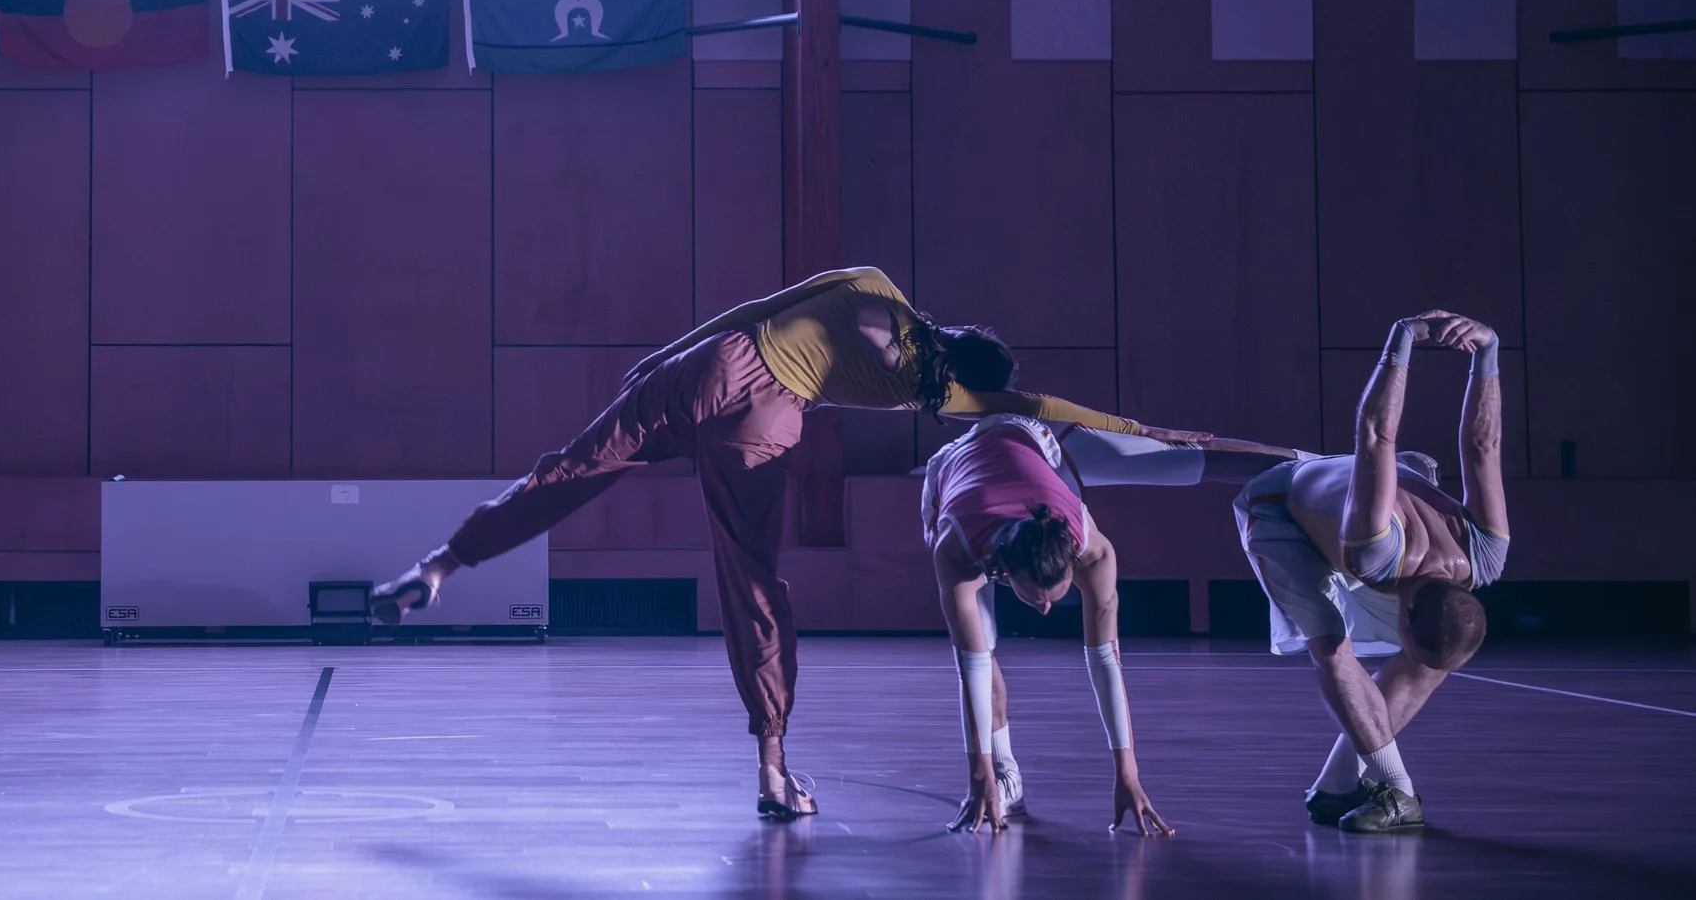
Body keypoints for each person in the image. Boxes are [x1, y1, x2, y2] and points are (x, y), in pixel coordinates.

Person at [366, 266, 1235, 821]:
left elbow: (754, 307)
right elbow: (1054, 414)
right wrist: (1163, 434)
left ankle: (443, 563)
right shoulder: (950, 397)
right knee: (749, 580)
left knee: (575, 467)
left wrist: (661, 359)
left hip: (710, 368)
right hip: (767, 422)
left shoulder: (872, 285)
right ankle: (773, 771)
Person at [1234, 310, 1510, 834]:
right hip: (1278, 506)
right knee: (1333, 648)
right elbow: (1375, 434)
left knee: (1436, 654)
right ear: (1402, 613)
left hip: (1370, 491)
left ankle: (1337, 787)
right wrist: (1399, 343)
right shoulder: (1375, 548)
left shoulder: (1486, 558)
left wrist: (1489, 352)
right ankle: (1398, 790)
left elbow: (1484, 448)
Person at [924, 412, 1177, 837]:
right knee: (980, 645)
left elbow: (1106, 663)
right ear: (1004, 571)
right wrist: (979, 771)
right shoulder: (957, 548)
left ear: (1073, 561)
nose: (1043, 610)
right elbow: (972, 668)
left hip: (1032, 439)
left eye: (1055, 597)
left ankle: (1002, 774)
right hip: (953, 471)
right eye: (1033, 596)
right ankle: (1004, 772)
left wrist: (1128, 772)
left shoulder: (1094, 552)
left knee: (990, 645)